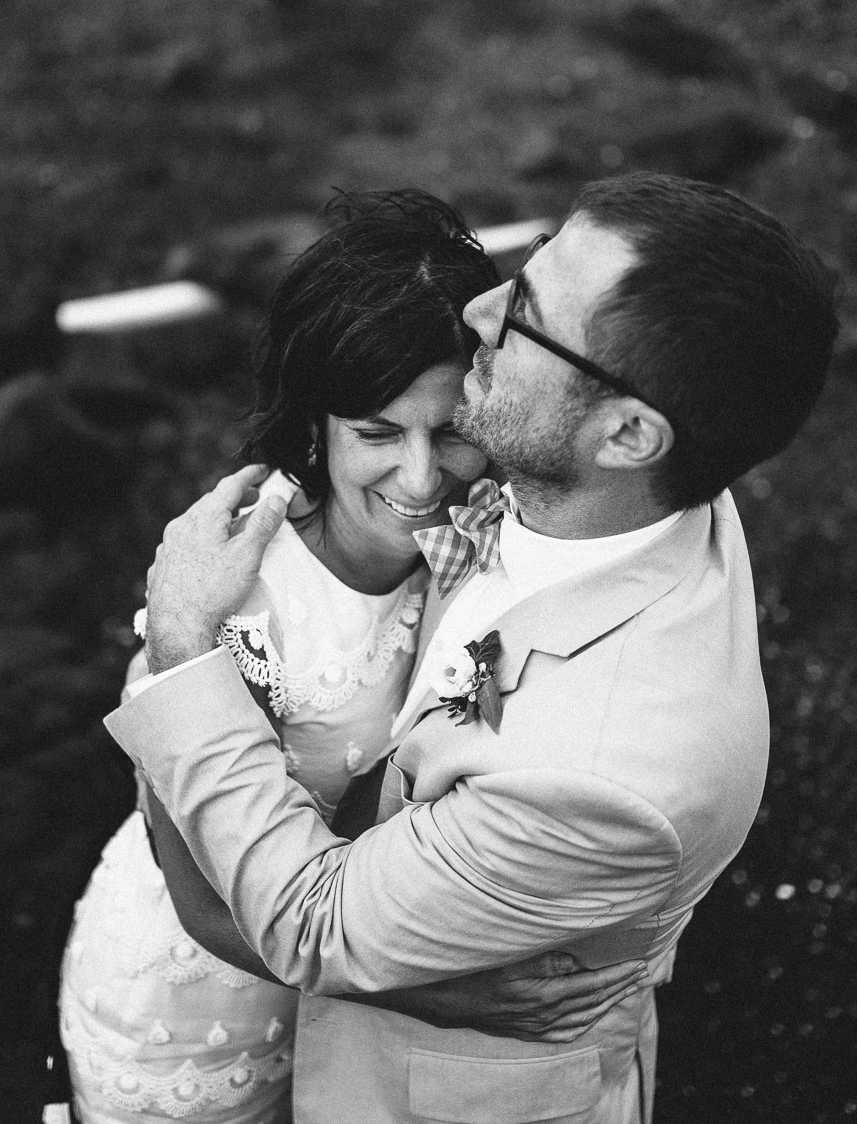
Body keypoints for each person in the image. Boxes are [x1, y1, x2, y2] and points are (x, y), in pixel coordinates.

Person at [107, 171, 840, 1123]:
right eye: (524, 269)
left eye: (528, 314)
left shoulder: (604, 774)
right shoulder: (640, 481)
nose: (481, 312)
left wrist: (181, 643)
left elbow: (316, 926)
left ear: (628, 433)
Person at [60, 190, 613, 1124]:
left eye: (453, 431)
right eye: (377, 433)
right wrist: (440, 996)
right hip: (201, 1002)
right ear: (315, 422)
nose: (422, 478)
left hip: (347, 980)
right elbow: (203, 905)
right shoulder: (238, 599)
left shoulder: (486, 535)